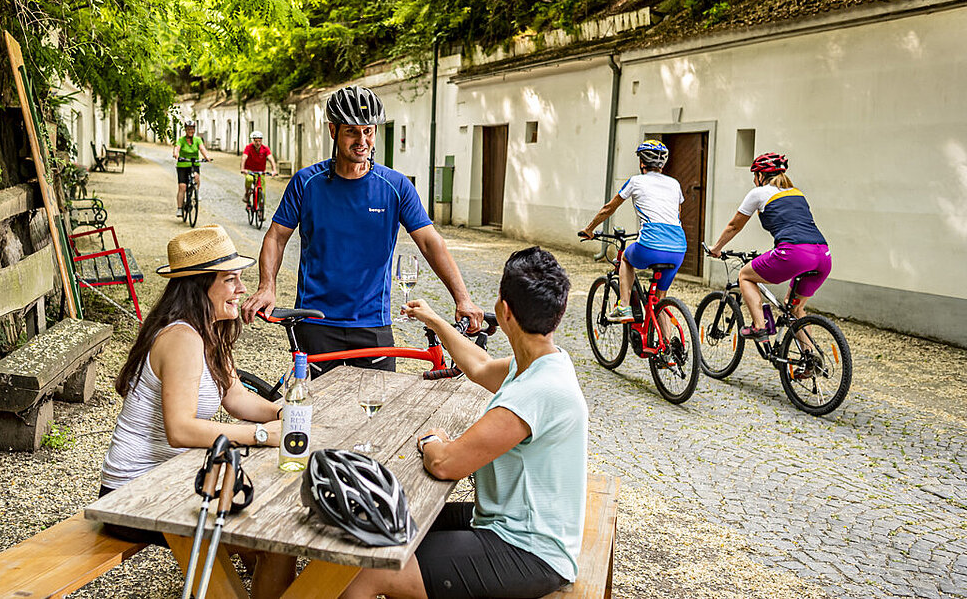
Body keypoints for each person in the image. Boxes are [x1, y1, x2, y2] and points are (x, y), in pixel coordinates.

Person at [340, 246, 587, 599]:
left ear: (503, 311)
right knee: (387, 524)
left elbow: (446, 464)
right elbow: (480, 367)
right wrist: (436, 321)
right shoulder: (545, 362)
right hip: (509, 524)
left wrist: (432, 441)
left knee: (370, 571)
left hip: (531, 551)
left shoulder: (536, 390)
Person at [98, 225, 294, 597]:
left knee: (265, 533)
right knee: (273, 539)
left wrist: (282, 414)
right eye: (231, 280)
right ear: (200, 286)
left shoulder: (210, 332)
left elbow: (235, 397)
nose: (241, 289)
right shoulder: (182, 338)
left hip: (171, 478)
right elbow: (182, 430)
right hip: (131, 493)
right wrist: (265, 434)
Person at [240, 85, 483, 376]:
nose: (362, 140)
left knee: (376, 414)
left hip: (372, 323)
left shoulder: (395, 186)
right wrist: (267, 286)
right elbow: (277, 237)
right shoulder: (307, 182)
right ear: (333, 131)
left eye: (368, 131)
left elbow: (430, 242)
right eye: (352, 132)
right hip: (315, 321)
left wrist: (462, 298)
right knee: (317, 414)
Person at [707, 152, 831, 352]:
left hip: (793, 253)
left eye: (754, 175)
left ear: (761, 176)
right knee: (795, 308)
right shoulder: (797, 193)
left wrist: (716, 248)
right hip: (822, 255)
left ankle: (759, 326)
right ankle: (810, 358)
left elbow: (734, 226)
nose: (753, 179)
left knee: (745, 276)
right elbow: (797, 225)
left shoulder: (758, 193)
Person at [579, 139, 687, 322]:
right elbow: (677, 215)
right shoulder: (674, 184)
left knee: (626, 259)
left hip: (650, 245)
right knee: (659, 302)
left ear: (642, 162)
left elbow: (608, 208)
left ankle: (624, 307)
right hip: (678, 247)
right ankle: (666, 346)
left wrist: (589, 229)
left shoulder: (636, 181)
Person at [173, 119, 211, 218]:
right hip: (183, 165)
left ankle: (196, 193)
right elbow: (177, 148)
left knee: (196, 177)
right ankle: (180, 208)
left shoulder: (198, 140)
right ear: (185, 129)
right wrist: (176, 154)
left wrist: (207, 157)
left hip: (194, 164)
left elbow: (202, 149)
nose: (191, 130)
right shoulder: (181, 140)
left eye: (192, 128)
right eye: (189, 128)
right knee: (182, 187)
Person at [241, 130, 278, 204]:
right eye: (256, 141)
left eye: (260, 141)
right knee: (249, 179)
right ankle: (247, 194)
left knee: (262, 191)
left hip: (261, 172)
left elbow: (271, 159)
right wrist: (242, 169)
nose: (258, 143)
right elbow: (244, 157)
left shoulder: (265, 148)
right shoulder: (248, 147)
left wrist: (274, 170)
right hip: (250, 170)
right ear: (253, 141)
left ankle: (260, 209)